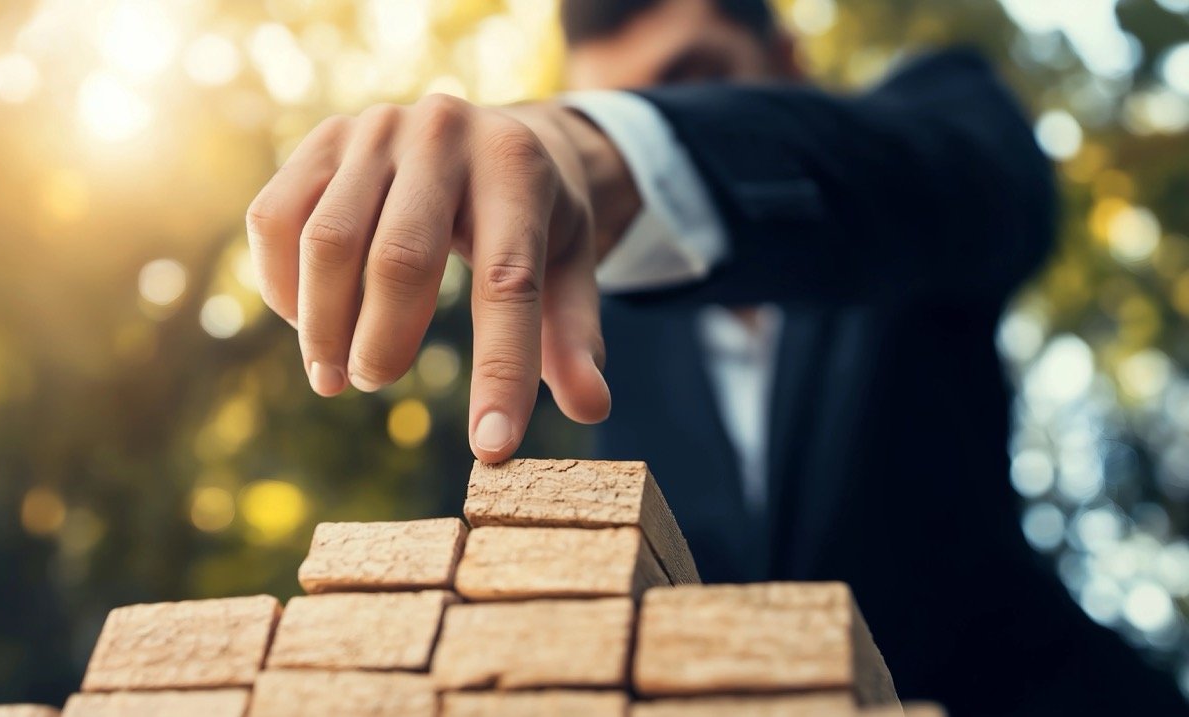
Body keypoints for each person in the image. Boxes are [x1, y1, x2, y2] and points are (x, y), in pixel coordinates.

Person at [244, 0, 1187, 713]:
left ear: (787, 67)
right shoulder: (551, 350)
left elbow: (967, 185)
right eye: (606, 102)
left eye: (685, 86)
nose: (642, 124)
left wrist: (588, 140)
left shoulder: (929, 131)